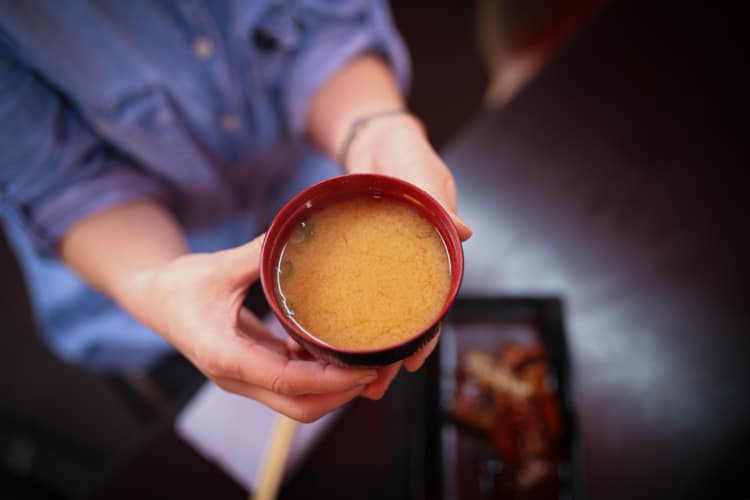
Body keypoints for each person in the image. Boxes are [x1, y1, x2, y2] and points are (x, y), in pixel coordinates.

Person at [0, 1, 472, 423]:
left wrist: (373, 129)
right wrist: (157, 287)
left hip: (333, 206)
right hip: (144, 275)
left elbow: (325, 26)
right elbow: (61, 178)